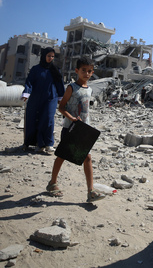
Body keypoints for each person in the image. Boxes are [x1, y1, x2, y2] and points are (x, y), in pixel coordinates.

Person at [46, 56, 104, 203]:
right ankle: (52, 183)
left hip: (84, 130)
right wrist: (71, 118)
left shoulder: (89, 89)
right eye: (84, 70)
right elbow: (62, 107)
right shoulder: (72, 87)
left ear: (93, 72)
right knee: (62, 156)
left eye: (90, 71)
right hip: (70, 128)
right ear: (77, 71)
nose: (87, 74)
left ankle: (91, 191)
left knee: (88, 158)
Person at [22, 47, 65, 154]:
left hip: (51, 98)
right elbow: (29, 82)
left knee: (48, 119)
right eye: (49, 56)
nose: (51, 58)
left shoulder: (55, 69)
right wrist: (26, 93)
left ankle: (49, 143)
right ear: (44, 56)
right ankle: (39, 144)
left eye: (52, 56)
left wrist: (61, 97)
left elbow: (60, 84)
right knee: (35, 119)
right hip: (36, 98)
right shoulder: (35, 69)